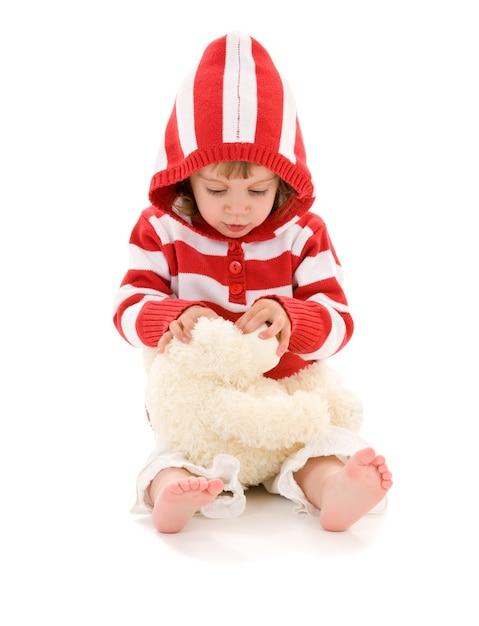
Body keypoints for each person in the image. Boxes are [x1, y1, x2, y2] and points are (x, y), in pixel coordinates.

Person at [113, 31, 393, 534]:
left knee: (322, 447)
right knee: (170, 455)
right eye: (216, 189)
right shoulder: (161, 230)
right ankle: (172, 494)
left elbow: (340, 322)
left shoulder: (303, 234)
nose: (237, 207)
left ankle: (334, 490)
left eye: (257, 190)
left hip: (284, 402)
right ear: (186, 178)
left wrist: (293, 317)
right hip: (202, 408)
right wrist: (172, 316)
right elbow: (128, 307)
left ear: (283, 181)